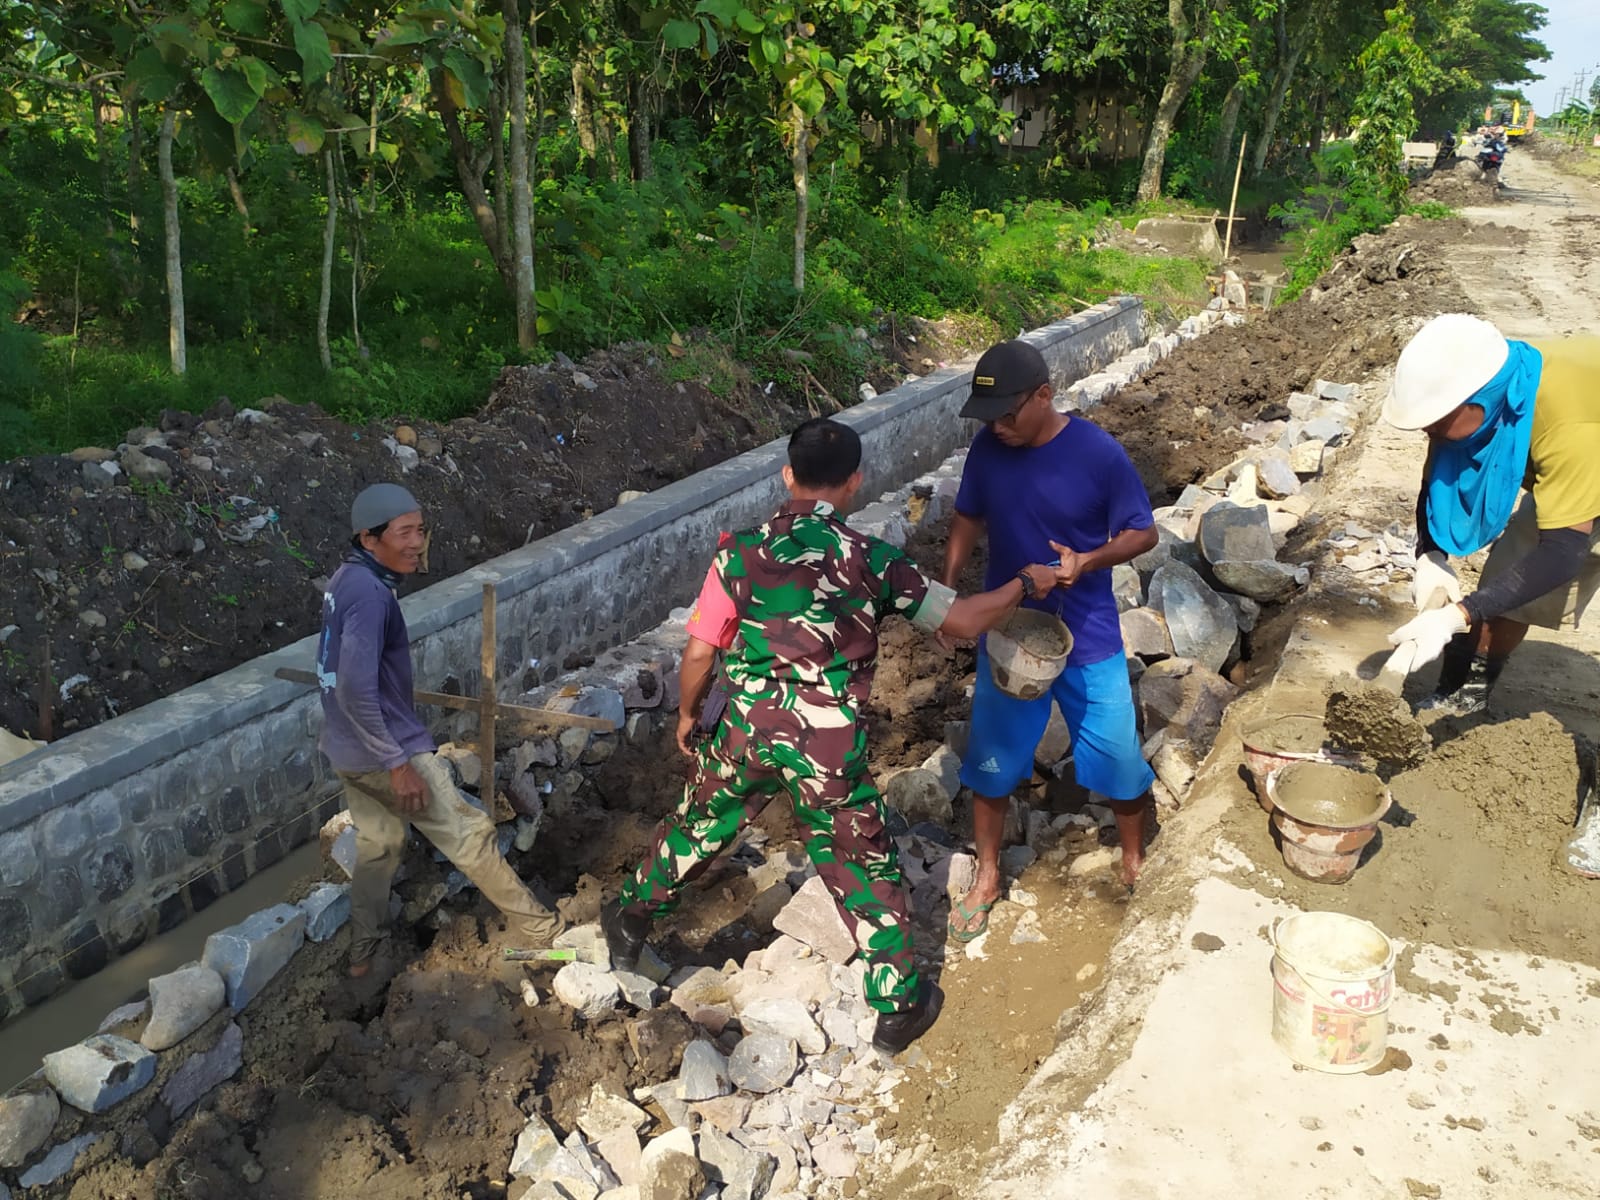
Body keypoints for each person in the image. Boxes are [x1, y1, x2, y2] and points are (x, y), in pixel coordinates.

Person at [600, 418, 1065, 1053]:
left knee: (701, 822)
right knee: (859, 860)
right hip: (825, 745)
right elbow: (962, 620)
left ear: (787, 475)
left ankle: (629, 920)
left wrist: (687, 714)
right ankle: (899, 1007)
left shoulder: (737, 551)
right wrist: (1024, 584)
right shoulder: (874, 561)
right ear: (854, 483)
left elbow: (700, 652)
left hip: (745, 728)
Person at [939, 339, 1159, 937]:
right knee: (990, 761)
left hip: (1087, 636)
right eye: (989, 418)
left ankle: (1136, 860)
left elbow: (1143, 534)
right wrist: (948, 586)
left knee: (1117, 756)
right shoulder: (989, 448)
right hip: (1009, 637)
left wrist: (1084, 562)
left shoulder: (1098, 455)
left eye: (1008, 414)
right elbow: (968, 516)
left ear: (1044, 396)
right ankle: (987, 876)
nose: (998, 428)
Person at [318, 483, 564, 977]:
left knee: (381, 842)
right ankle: (546, 938)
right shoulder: (370, 596)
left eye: (420, 530)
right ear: (370, 539)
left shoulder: (346, 579)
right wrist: (397, 763)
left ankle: (362, 957)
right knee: (469, 834)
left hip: (346, 749)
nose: (417, 542)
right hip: (384, 750)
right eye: (405, 533)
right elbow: (354, 688)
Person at [1384, 314, 1600, 714]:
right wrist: (1429, 554)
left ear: (1475, 404)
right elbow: (1439, 473)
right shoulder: (1489, 371)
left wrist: (1458, 614)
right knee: (1508, 579)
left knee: (1539, 570)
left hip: (1588, 438)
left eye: (1435, 423)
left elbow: (1562, 553)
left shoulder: (1568, 426)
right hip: (1578, 450)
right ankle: (1464, 691)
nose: (1427, 433)